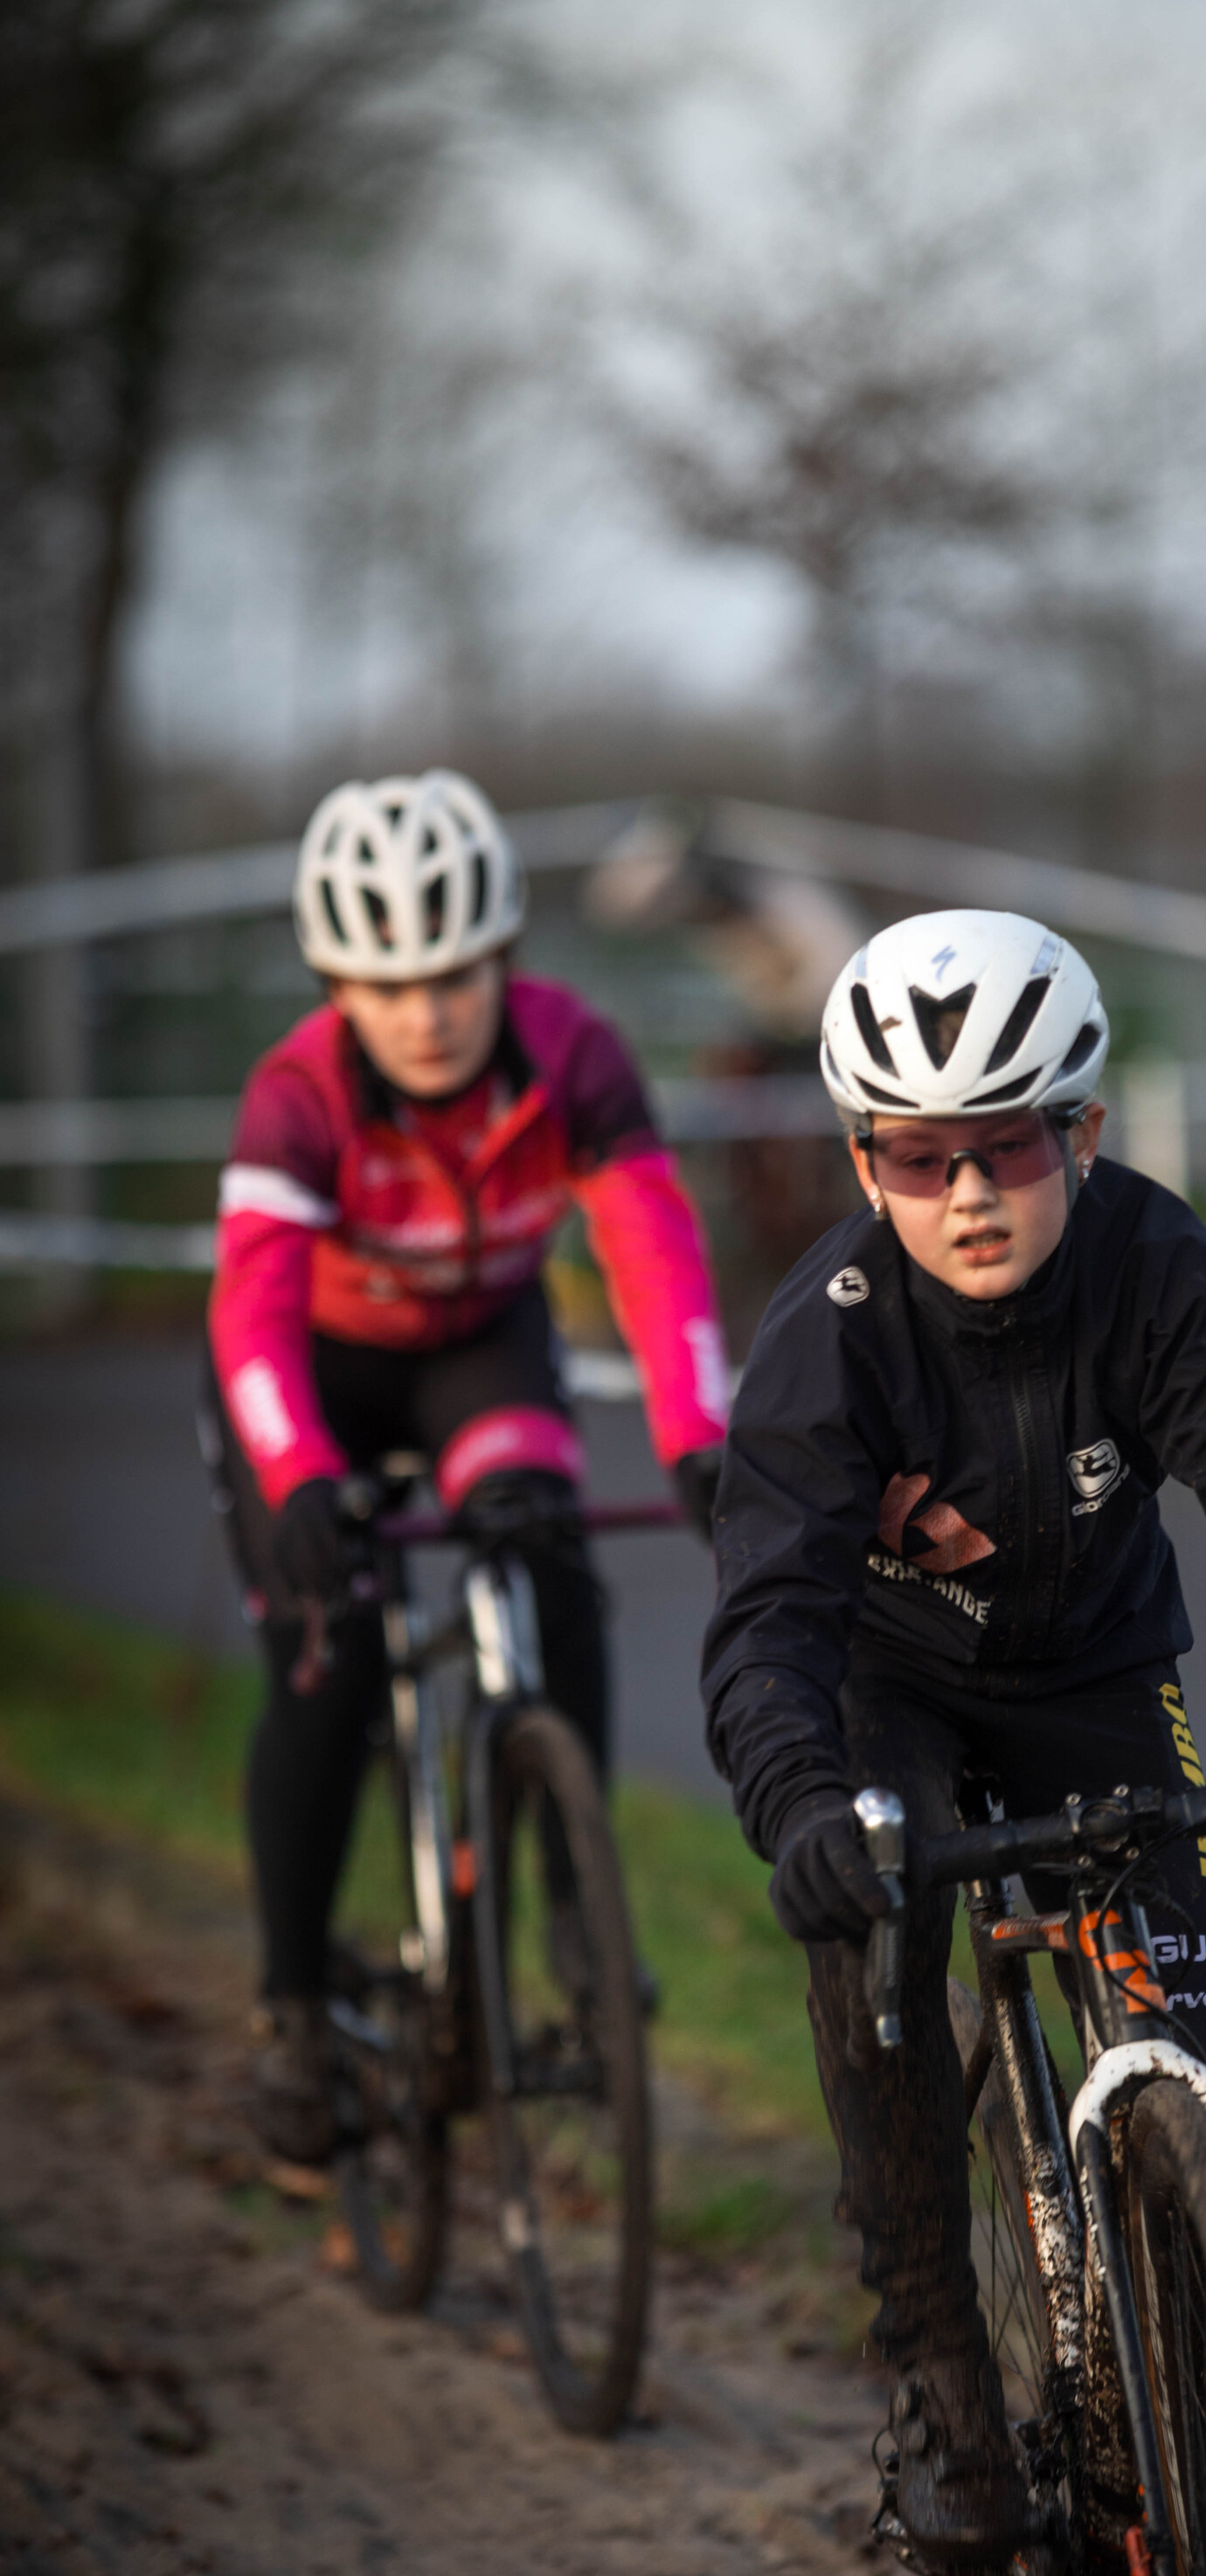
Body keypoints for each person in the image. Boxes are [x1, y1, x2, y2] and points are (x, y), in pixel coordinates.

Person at [701, 908, 1206, 2576]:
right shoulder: (827, 1334)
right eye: (917, 1158)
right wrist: (802, 1809)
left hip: (1102, 1674)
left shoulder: (1159, 1269)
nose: (968, 1193)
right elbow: (764, 1617)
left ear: (1088, 1133)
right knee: (879, 1962)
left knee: (1202, 2063)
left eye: (1011, 1145)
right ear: (863, 1160)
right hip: (885, 1688)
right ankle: (940, 2384)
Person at [203, 769, 729, 2164]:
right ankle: (296, 2005)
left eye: (452, 973)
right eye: (389, 985)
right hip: (312, 1372)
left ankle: (572, 1906)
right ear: (339, 988)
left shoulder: (577, 1056)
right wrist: (301, 1480)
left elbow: (653, 1252)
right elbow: (249, 1310)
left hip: (475, 1350)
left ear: (501, 956)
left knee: (546, 1551)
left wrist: (697, 1438)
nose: (427, 1011)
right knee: (329, 1658)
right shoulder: (297, 1094)